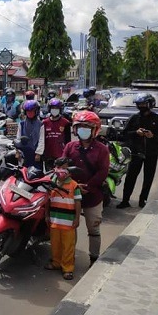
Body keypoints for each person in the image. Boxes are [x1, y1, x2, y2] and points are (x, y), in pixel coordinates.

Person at [61, 110, 110, 267]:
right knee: (69, 228)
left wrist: (88, 186)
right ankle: (68, 257)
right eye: (80, 127)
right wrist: (72, 185)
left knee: (93, 229)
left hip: (92, 195)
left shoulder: (102, 149)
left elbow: (103, 172)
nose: (83, 130)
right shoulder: (70, 147)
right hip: (71, 194)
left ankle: (94, 258)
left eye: (87, 127)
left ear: (95, 129)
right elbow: (63, 166)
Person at [117, 93, 158, 209]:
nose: (141, 106)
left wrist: (152, 136)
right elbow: (124, 134)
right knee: (130, 177)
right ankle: (125, 200)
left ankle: (142, 200)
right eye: (139, 104)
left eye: (143, 104)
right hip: (136, 153)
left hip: (151, 153)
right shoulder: (134, 118)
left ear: (150, 104)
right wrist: (135, 133)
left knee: (148, 178)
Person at [44, 157, 82, 280]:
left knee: (68, 246)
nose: (60, 171)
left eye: (64, 168)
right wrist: (46, 215)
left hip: (68, 222)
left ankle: (68, 268)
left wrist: (77, 218)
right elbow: (47, 200)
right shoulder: (51, 183)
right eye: (59, 167)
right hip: (54, 220)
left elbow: (77, 202)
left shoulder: (73, 185)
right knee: (55, 244)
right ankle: (56, 262)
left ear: (70, 171)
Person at [41, 98, 72, 170]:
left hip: (61, 156)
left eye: (56, 108)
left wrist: (67, 155)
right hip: (48, 155)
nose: (54, 110)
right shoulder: (44, 122)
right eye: (53, 108)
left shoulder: (65, 123)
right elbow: (42, 139)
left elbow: (68, 141)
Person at [18, 100, 45, 168]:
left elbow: (41, 140)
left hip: (35, 153)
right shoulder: (21, 124)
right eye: (28, 111)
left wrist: (38, 153)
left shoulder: (40, 124)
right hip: (24, 153)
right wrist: (18, 152)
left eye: (32, 111)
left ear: (36, 111)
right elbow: (18, 138)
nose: (30, 113)